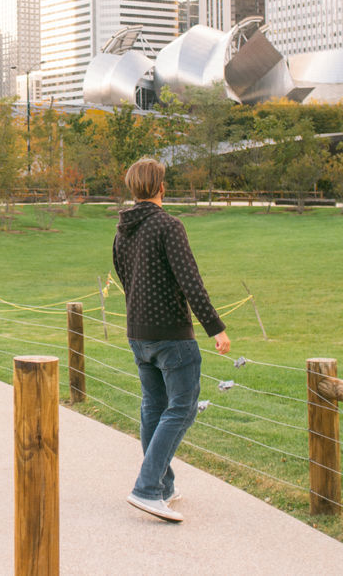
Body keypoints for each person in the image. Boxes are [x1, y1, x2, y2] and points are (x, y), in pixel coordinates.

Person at [113, 158, 230, 523]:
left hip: (138, 334)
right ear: (161, 188)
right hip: (171, 336)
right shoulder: (169, 226)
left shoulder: (122, 231)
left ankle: (163, 486)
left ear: (135, 189)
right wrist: (216, 328)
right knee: (182, 408)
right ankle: (147, 489)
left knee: (154, 407)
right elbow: (190, 281)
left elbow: (123, 277)